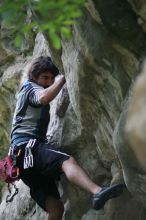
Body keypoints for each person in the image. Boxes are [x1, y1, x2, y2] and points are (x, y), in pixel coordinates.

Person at [10, 56, 126, 220]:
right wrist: (63, 77)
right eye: (45, 77)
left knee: (56, 208)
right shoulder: (30, 87)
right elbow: (43, 97)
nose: (49, 82)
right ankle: (97, 192)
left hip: (21, 162)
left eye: (51, 78)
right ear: (34, 77)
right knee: (67, 161)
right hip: (29, 149)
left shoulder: (30, 90)